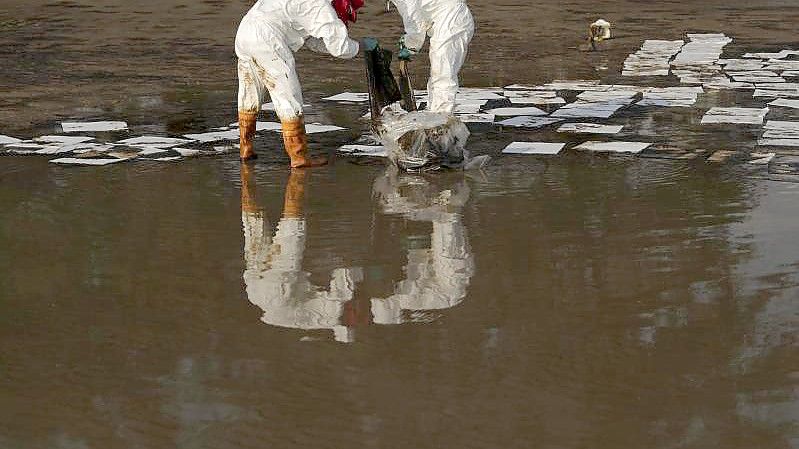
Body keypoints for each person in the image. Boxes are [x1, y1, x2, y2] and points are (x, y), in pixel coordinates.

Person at [240, 164, 364, 342]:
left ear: (349, 322)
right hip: (255, 293)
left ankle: (296, 176)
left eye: (357, 316)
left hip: (279, 290)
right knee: (253, 224)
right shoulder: (313, 323)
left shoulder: (335, 314)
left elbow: (343, 274)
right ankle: (245, 174)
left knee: (294, 222)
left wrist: (357, 274)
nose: (357, 310)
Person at [235, 0, 364, 165]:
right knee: (288, 96)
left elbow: (311, 41)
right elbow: (340, 48)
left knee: (249, 92)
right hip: (268, 38)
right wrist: (361, 47)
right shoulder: (321, 7)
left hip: (245, 32)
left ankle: (246, 147)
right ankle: (299, 157)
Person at [389, 0, 475, 115]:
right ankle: (434, 113)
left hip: (452, 22)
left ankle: (442, 118)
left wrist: (410, 45)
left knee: (443, 73)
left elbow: (414, 20)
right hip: (444, 22)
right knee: (437, 74)